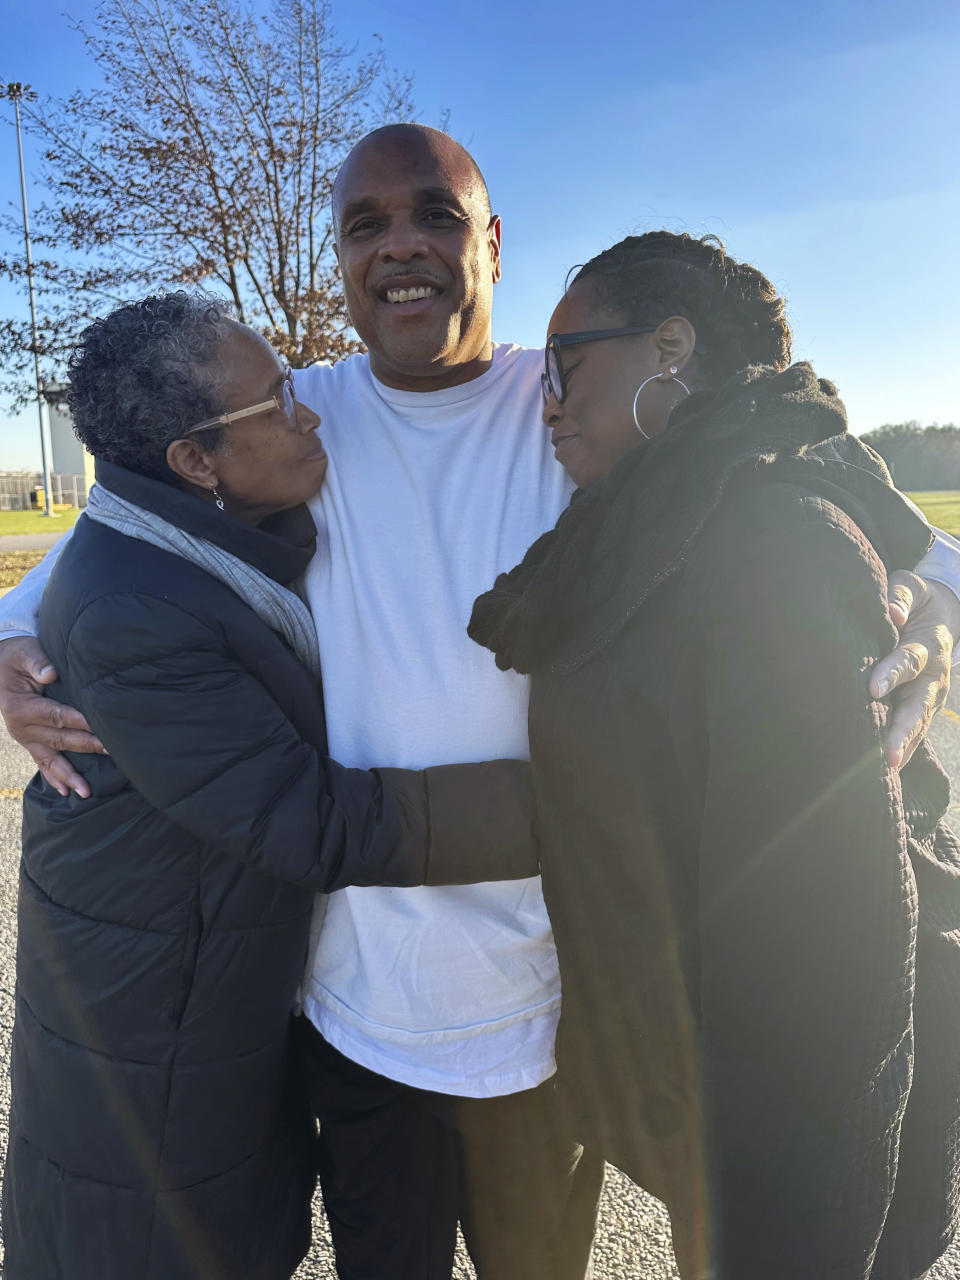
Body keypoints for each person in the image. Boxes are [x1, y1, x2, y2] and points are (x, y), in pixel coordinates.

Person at [1, 127, 958, 1280]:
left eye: (436, 214)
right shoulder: (291, 416)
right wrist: (10, 640)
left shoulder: (580, 402)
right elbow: (116, 530)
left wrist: (923, 612)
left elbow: (900, 531)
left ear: (491, 241)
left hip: (554, 1011)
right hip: (357, 1005)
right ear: (340, 259)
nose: (400, 244)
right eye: (365, 225)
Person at [1, 292, 542, 1280]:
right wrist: (565, 804)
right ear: (195, 461)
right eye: (276, 401)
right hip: (152, 1036)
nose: (308, 412)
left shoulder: (184, 533)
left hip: (196, 989)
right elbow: (311, 818)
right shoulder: (137, 606)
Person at [469, 230, 960, 1279]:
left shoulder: (773, 542)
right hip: (702, 1088)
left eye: (566, 366)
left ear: (672, 347)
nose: (546, 401)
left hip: (781, 1156)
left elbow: (837, 977)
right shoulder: (649, 517)